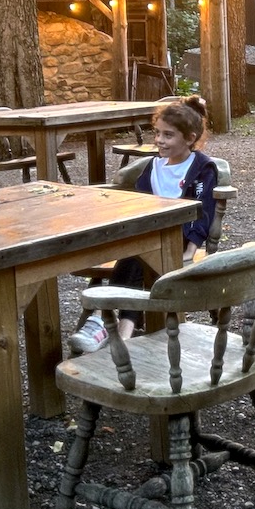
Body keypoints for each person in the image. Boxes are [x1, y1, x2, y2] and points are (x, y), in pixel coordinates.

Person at [68, 95, 218, 353]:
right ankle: (120, 331)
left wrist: (189, 252)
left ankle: (107, 322)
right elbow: (138, 207)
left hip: (177, 238)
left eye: (168, 135)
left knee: (140, 253)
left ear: (190, 139)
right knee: (138, 253)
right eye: (157, 133)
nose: (159, 140)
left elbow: (203, 212)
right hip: (147, 237)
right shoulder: (153, 167)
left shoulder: (202, 168)